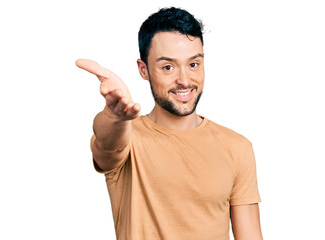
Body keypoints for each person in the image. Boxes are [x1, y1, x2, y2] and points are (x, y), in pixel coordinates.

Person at [76, 7, 263, 240]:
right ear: (143, 69)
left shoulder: (237, 147)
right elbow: (106, 145)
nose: (185, 80)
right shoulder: (129, 137)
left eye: (193, 64)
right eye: (168, 67)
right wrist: (115, 117)